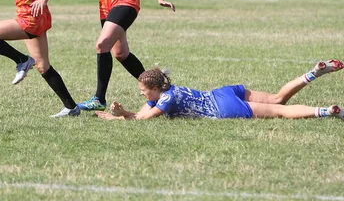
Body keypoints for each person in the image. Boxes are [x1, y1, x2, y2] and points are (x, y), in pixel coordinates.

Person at [95, 59, 344, 120]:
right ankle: (312, 73)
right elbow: (141, 111)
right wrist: (125, 112)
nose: (141, 93)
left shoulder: (166, 101)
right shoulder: (166, 91)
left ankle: (327, 111)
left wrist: (115, 117)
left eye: (142, 90)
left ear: (156, 88)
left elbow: (141, 118)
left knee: (279, 111)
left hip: (223, 107)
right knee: (278, 98)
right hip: (222, 92)